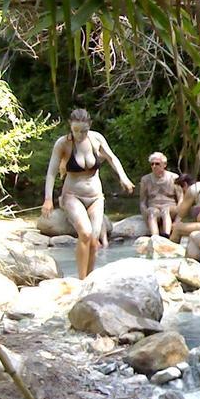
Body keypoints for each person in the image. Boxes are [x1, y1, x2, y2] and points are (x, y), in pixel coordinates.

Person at [41, 108, 135, 279]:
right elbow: (51, 172)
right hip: (72, 195)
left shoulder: (96, 139)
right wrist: (48, 199)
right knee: (84, 233)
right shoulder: (63, 144)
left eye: (84, 131)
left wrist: (123, 177)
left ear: (89, 126)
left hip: (96, 197)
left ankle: (89, 278)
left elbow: (112, 158)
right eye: (76, 130)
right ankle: (81, 279)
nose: (80, 135)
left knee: (93, 239)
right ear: (70, 126)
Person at [139, 152, 182, 238]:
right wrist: (144, 213)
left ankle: (167, 236)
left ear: (164, 164)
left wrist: (178, 217)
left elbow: (181, 198)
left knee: (165, 210)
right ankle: (155, 237)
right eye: (152, 164)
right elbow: (142, 201)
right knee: (152, 212)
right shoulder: (145, 180)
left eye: (157, 164)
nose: (154, 166)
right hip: (154, 206)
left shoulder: (174, 178)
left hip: (170, 206)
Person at [170, 173, 200, 244]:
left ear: (185, 184)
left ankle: (172, 253)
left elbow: (181, 213)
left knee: (177, 228)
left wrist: (182, 196)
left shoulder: (192, 189)